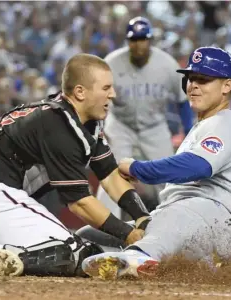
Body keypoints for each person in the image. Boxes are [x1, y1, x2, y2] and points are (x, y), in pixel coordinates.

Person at [0, 53, 151, 277]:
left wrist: (142, 217)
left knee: (68, 248)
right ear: (80, 92)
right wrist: (128, 233)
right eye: (106, 88)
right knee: (75, 251)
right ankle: (2, 256)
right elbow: (80, 203)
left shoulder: (77, 119)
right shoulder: (61, 125)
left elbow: (109, 175)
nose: (113, 94)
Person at [78, 47, 231, 280]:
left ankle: (140, 256)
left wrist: (136, 168)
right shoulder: (203, 126)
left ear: (227, 86)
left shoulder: (226, 121)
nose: (193, 85)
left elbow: (196, 166)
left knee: (174, 216)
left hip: (213, 215)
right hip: (186, 221)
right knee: (89, 235)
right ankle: (202, 265)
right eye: (191, 78)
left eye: (204, 79)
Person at [96, 16, 194, 218]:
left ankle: (177, 223)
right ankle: (104, 232)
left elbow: (182, 100)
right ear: (128, 41)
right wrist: (97, 128)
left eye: (143, 39)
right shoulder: (111, 63)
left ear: (150, 41)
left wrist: (189, 132)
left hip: (154, 127)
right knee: (111, 175)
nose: (139, 44)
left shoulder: (167, 65)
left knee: (169, 178)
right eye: (134, 40)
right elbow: (96, 99)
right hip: (120, 126)